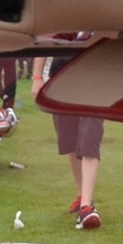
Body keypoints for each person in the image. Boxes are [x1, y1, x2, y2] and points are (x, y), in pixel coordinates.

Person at [33, 51, 105, 229]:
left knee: (90, 138)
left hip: (94, 78)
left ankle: (86, 207)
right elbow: (46, 39)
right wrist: (37, 77)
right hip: (61, 76)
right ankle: (82, 196)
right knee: (69, 141)